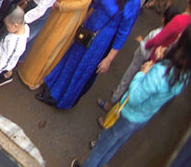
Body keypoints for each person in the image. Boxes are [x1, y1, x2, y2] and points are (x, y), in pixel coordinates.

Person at [72, 27, 191, 167]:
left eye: (180, 36)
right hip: (142, 117)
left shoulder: (161, 72)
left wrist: (144, 72)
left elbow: (135, 97)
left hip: (128, 114)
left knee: (102, 145)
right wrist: (159, 61)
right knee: (112, 146)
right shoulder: (184, 74)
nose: (177, 36)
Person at [38, 0, 144, 109]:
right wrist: (84, 19)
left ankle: (61, 99)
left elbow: (123, 33)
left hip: (101, 40)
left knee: (81, 68)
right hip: (90, 25)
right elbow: (97, 2)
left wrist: (109, 59)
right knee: (70, 57)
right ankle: (52, 86)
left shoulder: (133, 2)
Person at [103, 2, 184, 110]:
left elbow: (146, 51)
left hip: (140, 61)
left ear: (163, 19)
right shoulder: (171, 40)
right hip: (149, 65)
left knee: (127, 79)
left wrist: (142, 42)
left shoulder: (156, 34)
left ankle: (112, 102)